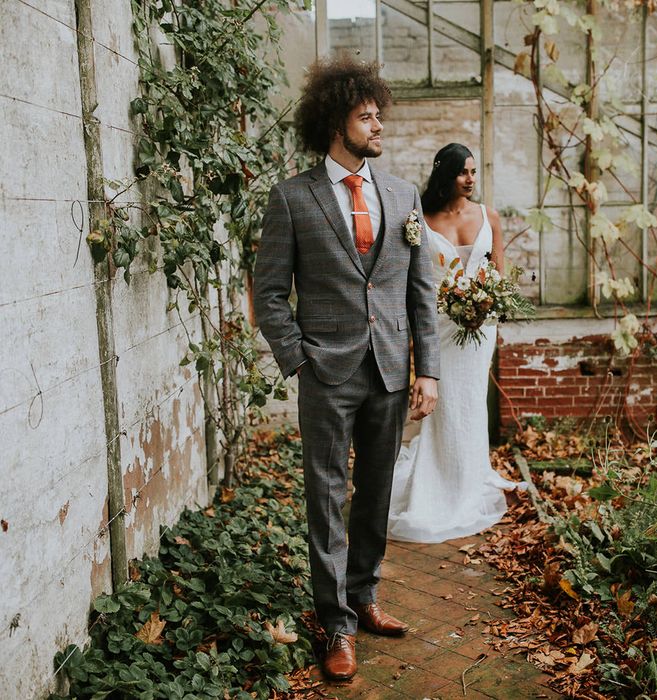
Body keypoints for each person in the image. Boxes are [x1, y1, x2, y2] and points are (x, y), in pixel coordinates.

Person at [252, 57, 440, 682]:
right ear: (337, 122)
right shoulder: (292, 197)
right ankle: (334, 624)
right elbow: (269, 290)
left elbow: (420, 291)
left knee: (376, 492)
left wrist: (428, 369)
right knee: (327, 495)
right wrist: (296, 356)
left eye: (378, 113)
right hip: (326, 372)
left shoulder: (403, 195)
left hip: (388, 368)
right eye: (367, 116)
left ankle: (364, 598)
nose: (378, 123)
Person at [387, 143, 524, 544]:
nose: (471, 180)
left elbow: (499, 274)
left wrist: (490, 306)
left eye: (474, 172)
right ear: (446, 174)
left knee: (469, 400)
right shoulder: (420, 221)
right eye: (464, 172)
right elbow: (412, 281)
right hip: (440, 327)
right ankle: (440, 481)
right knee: (444, 404)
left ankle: (469, 476)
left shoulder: (488, 216)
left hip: (481, 329)